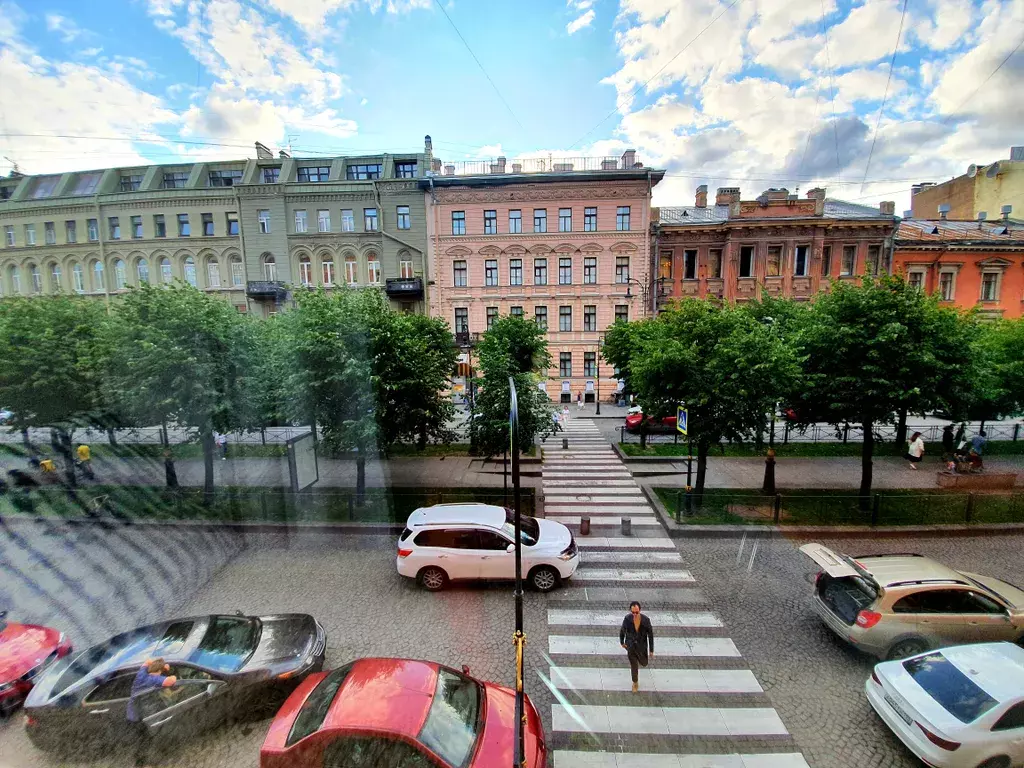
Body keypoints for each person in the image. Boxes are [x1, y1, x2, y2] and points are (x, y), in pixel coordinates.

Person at [127, 658, 178, 766]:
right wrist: (169, 672)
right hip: (140, 715)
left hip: (132, 712)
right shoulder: (154, 680)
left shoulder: (141, 674)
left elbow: (147, 661)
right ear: (159, 670)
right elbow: (171, 681)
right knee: (145, 738)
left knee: (142, 738)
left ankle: (141, 760)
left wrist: (162, 665)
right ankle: (142, 762)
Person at [619, 601, 654, 693]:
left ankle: (640, 660)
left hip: (642, 646)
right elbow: (622, 630)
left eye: (636, 612)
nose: (634, 614)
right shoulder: (627, 619)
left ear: (640, 611)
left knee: (644, 663)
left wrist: (651, 650)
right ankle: (635, 682)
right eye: (633, 612)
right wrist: (622, 642)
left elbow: (650, 635)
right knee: (634, 665)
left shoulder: (646, 620)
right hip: (631, 646)